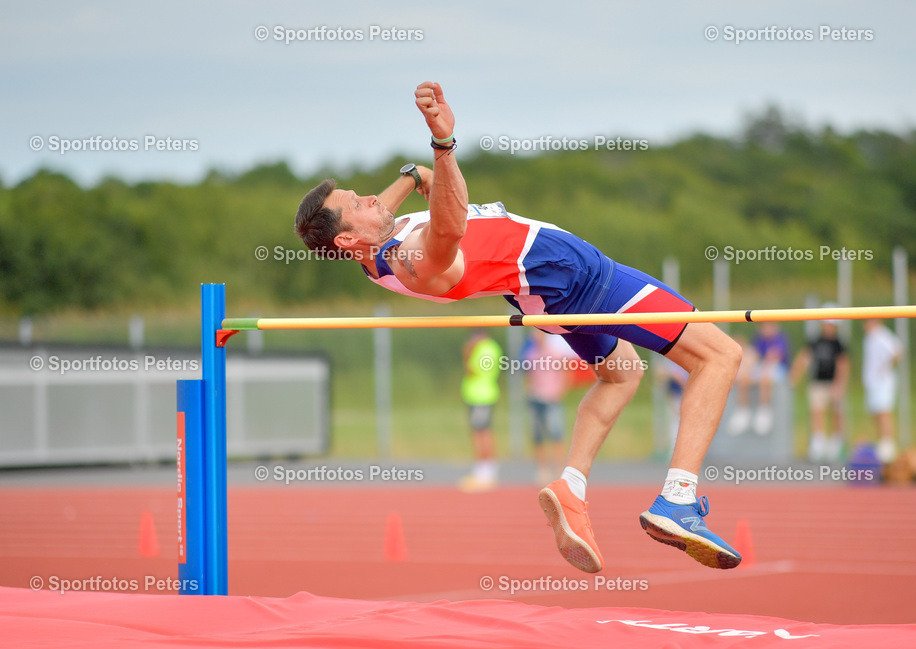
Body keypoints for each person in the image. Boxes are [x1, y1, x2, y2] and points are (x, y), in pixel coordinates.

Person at [293, 82, 744, 573]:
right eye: (358, 202)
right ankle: (677, 500)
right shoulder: (413, 258)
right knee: (719, 356)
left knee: (622, 373)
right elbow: (448, 227)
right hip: (574, 275)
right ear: (347, 236)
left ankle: (571, 485)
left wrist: (410, 176)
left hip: (544, 297)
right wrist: (443, 146)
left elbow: (389, 206)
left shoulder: (371, 252)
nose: (370, 199)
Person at [789, 311, 849, 462]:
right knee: (817, 411)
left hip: (833, 383)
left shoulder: (838, 344)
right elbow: (804, 357)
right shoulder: (815, 341)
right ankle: (818, 442)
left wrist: (839, 384)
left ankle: (836, 443)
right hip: (818, 382)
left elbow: (843, 365)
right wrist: (795, 375)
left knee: (836, 413)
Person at [522, 329, 575, 485]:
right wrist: (529, 390)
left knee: (556, 434)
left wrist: (560, 391)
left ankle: (559, 470)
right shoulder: (530, 353)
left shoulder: (555, 353)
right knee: (537, 436)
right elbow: (529, 375)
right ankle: (542, 470)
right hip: (536, 398)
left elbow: (566, 372)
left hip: (551, 398)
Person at [459, 330, 503, 492]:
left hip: (481, 396)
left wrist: (468, 352)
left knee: (481, 433)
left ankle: (485, 473)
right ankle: (485, 471)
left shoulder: (483, 349)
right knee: (482, 432)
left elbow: (471, 370)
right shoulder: (493, 348)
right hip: (481, 395)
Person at [729, 322, 789, 435]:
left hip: (777, 368)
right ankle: (743, 411)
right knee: (744, 378)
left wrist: (760, 368)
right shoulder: (759, 340)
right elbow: (755, 357)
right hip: (763, 367)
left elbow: (774, 358)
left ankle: (764, 411)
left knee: (764, 379)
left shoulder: (779, 340)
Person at [861, 318, 901, 464]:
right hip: (873, 382)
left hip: (883, 382)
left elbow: (897, 351)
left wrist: (884, 368)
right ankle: (882, 443)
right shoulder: (869, 337)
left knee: (884, 411)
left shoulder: (882, 335)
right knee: (876, 412)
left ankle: (888, 445)